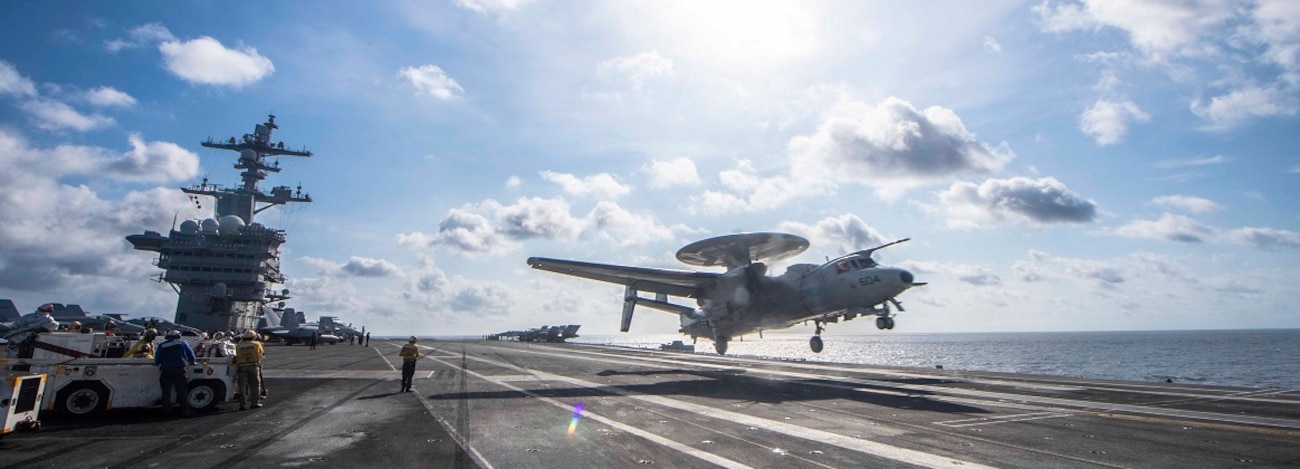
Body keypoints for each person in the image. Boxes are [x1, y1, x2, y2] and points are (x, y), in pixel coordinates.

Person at [154, 330, 196, 417]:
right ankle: (185, 411)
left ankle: (167, 412)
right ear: (178, 336)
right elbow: (190, 355)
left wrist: (159, 364)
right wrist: (192, 361)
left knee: (166, 392)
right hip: (179, 370)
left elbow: (157, 359)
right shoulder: (182, 343)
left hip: (166, 370)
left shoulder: (162, 345)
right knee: (182, 391)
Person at [232, 331, 265, 410]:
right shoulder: (257, 344)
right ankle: (255, 403)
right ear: (254, 337)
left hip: (242, 367)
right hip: (253, 366)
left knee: (242, 387)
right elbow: (261, 354)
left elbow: (236, 355)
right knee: (255, 385)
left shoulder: (239, 345)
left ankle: (242, 405)